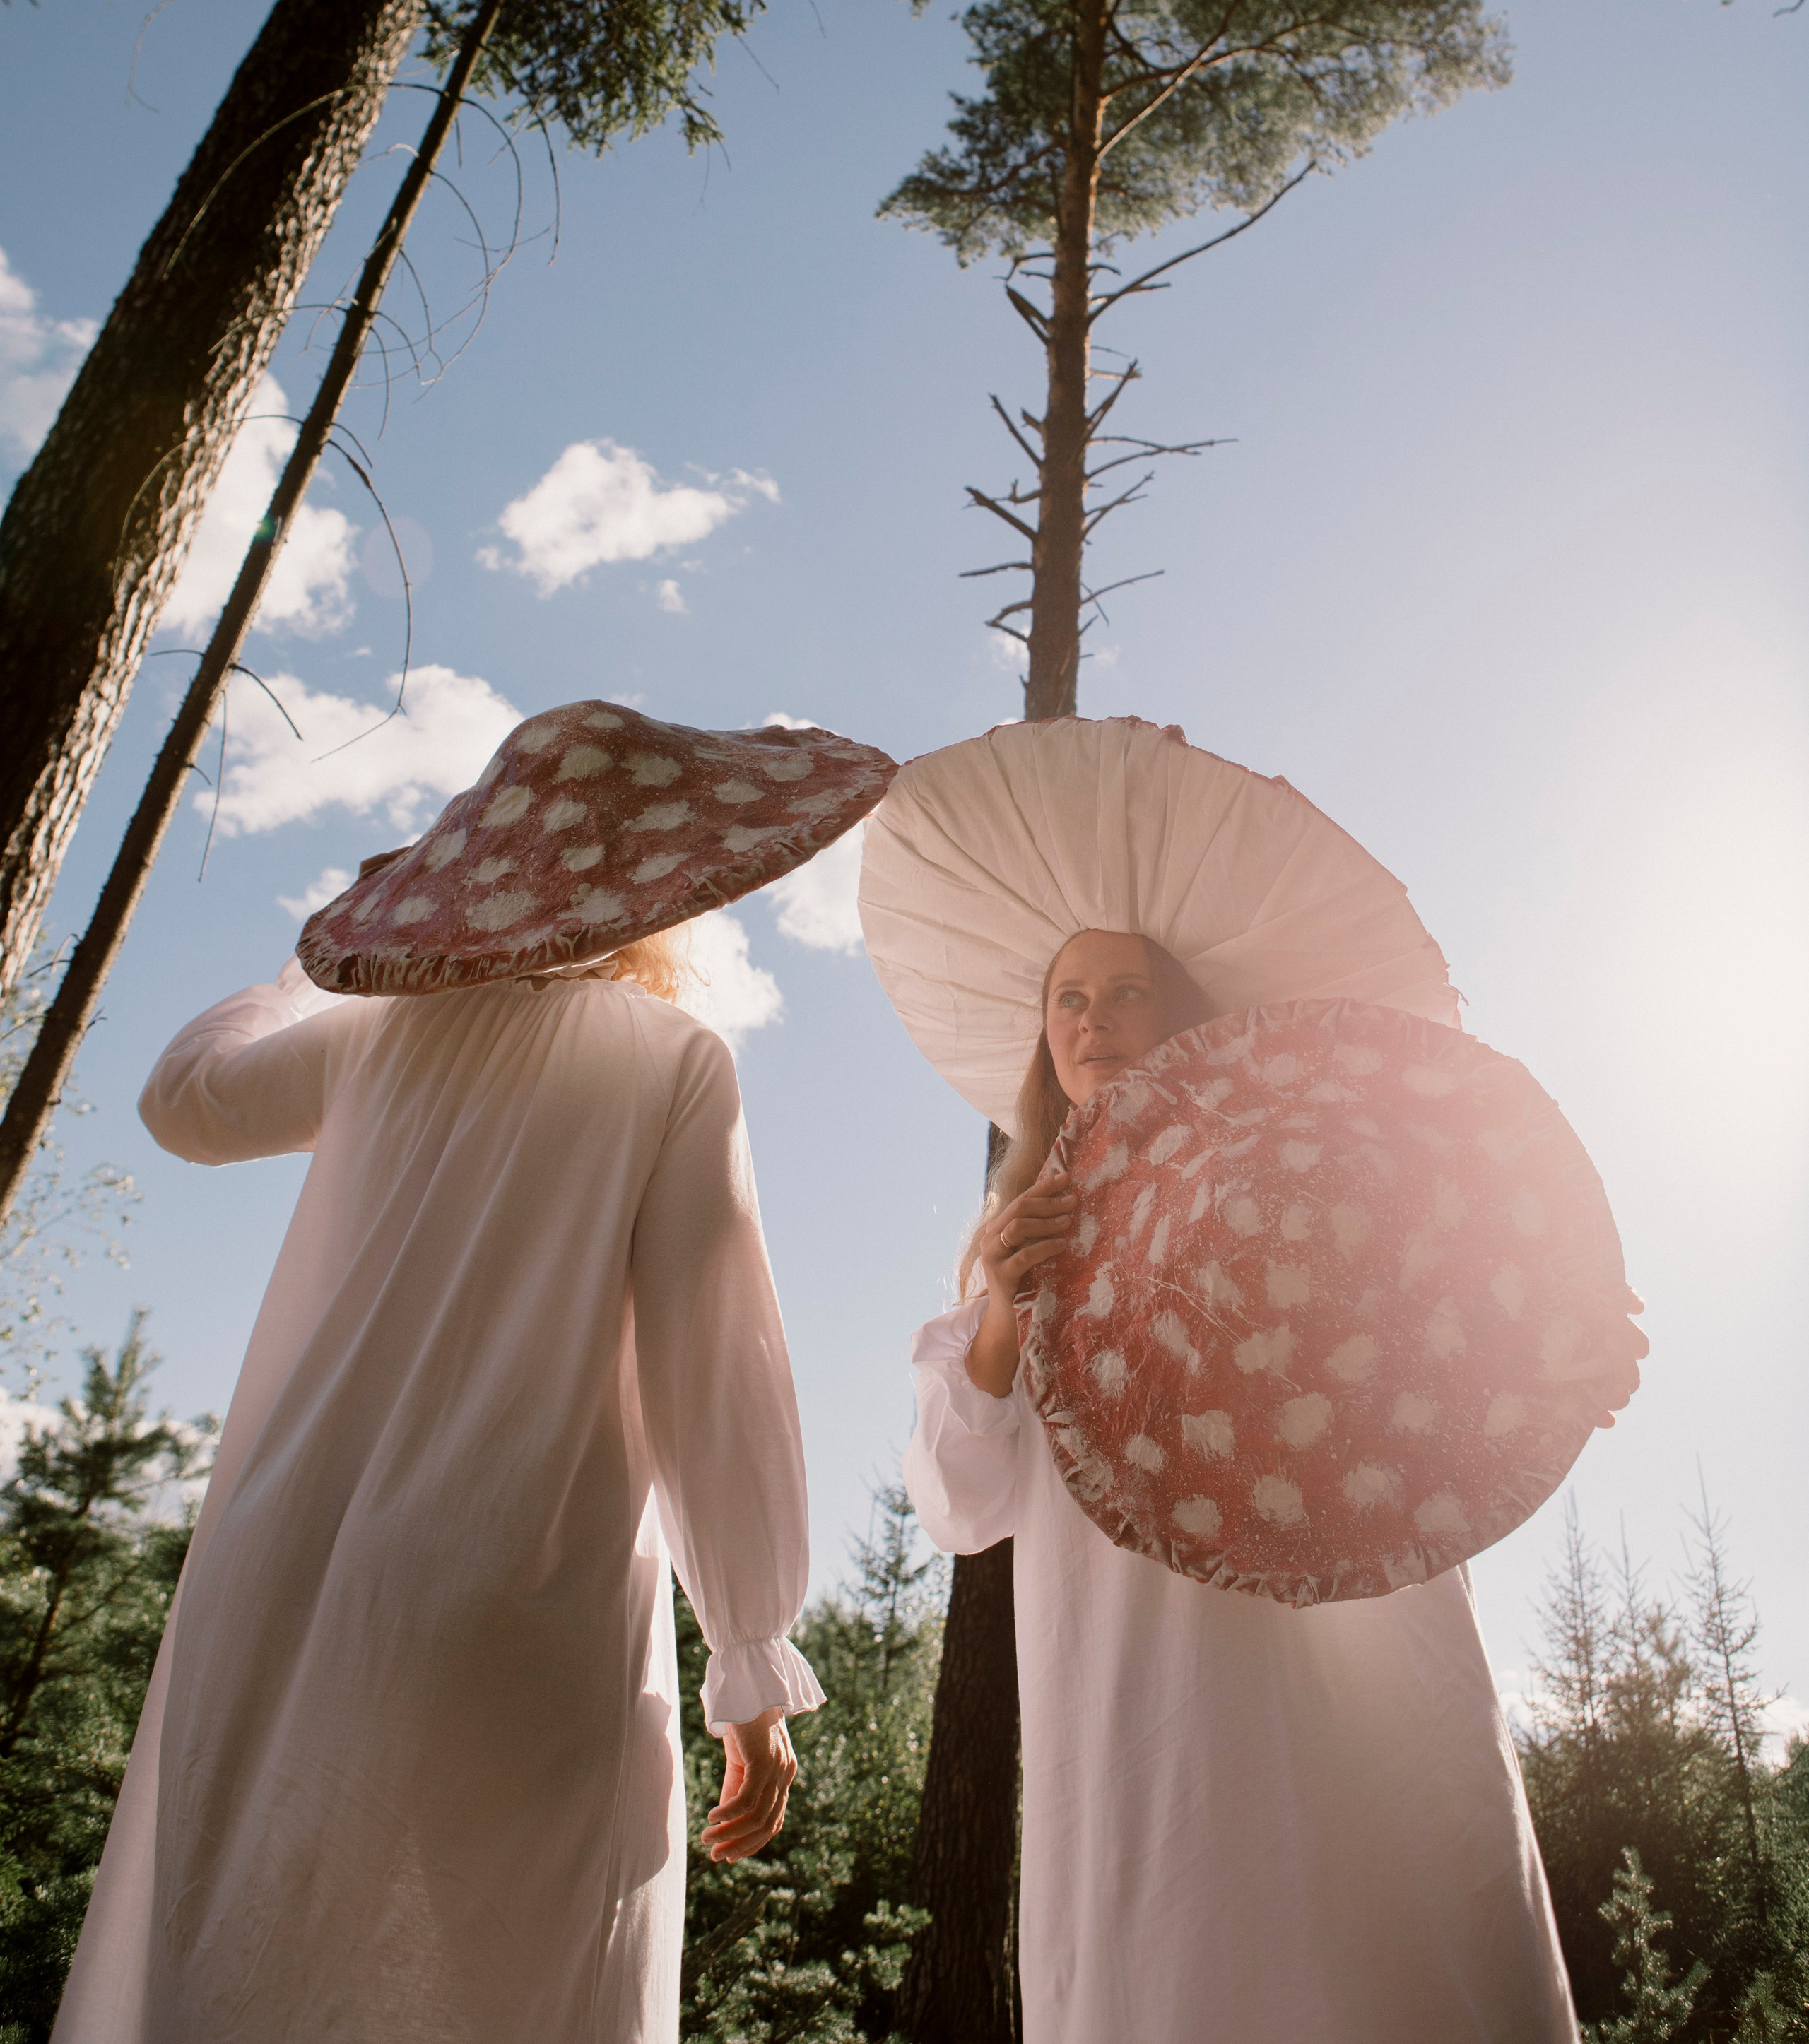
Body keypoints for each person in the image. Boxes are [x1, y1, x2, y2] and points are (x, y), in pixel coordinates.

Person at [54, 700, 895, 2044]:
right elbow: (710, 1373)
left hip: (276, 1575)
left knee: (249, 1966)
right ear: (664, 888)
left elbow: (182, 1103)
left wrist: (322, 961)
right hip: (510, 1588)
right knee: (523, 1980)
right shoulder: (673, 1059)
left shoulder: (371, 1038)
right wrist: (747, 1651)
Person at [861, 717, 1637, 2044]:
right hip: (1130, 1675)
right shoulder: (1009, 1224)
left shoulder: (1320, 1171)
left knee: (1390, 1931)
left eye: (1128, 993)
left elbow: (1450, 1329)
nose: (1095, 1021)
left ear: (1185, 1011)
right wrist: (1001, 1304)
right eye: (1069, 999)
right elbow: (959, 1505)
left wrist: (1566, 1348)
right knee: (1180, 1957)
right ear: (1041, 1035)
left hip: (1354, 1633)